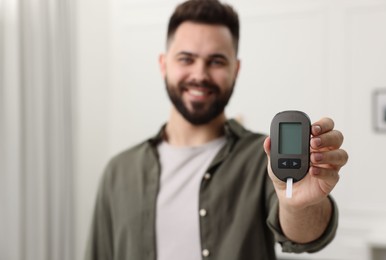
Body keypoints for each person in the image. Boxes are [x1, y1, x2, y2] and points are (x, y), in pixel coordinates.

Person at [85, 0, 349, 259]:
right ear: (164, 64)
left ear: (236, 69)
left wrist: (299, 205)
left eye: (216, 61)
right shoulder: (118, 172)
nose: (200, 74)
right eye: (186, 59)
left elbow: (305, 236)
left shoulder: (264, 159)